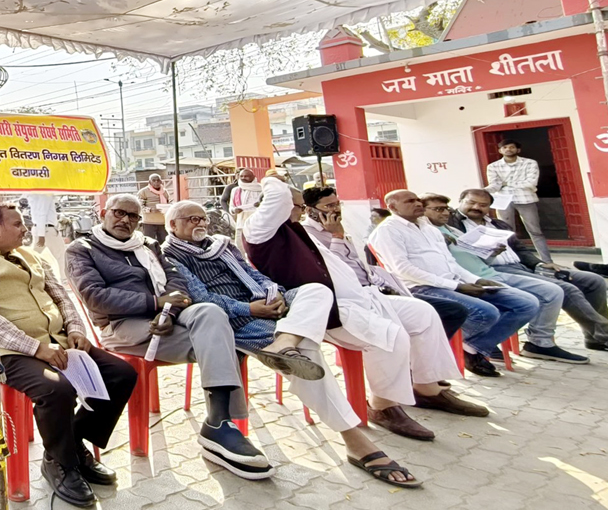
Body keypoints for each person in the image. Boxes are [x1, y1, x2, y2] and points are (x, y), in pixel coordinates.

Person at [166, 201, 429, 488]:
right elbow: (203, 298)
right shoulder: (170, 255)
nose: (199, 223)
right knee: (307, 353)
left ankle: (286, 340)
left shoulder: (222, 245)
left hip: (269, 307)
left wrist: (276, 294)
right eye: (191, 219)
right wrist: (251, 308)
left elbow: (255, 275)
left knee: (316, 290)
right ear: (172, 225)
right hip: (237, 319)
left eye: (202, 218)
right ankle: (354, 440)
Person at [67, 194, 292, 482]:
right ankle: (225, 424)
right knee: (222, 340)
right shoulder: (82, 249)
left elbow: (176, 280)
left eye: (133, 216)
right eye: (119, 213)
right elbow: (95, 297)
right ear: (103, 214)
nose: (126, 220)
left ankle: (218, 422)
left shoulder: (147, 245)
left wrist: (169, 312)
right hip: (122, 325)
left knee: (211, 313)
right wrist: (155, 302)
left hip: (167, 316)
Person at [239, 179, 480, 438]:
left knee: (423, 314)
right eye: (296, 206)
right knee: (390, 336)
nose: (299, 211)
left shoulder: (295, 229)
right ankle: (382, 406)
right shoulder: (259, 230)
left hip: (364, 297)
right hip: (330, 310)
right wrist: (270, 178)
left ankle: (427, 389)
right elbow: (278, 196)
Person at [0, 202, 135, 507]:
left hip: (56, 341)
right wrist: (35, 348)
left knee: (121, 374)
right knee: (56, 389)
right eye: (17, 224)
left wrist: (76, 329)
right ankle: (62, 464)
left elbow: (61, 296)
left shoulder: (31, 256)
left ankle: (70, 444)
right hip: (6, 352)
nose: (25, 229)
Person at [368, 190, 539, 378]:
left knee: (526, 303)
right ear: (392, 207)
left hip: (453, 282)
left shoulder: (429, 229)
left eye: (417, 200)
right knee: (486, 312)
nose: (417, 204)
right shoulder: (387, 231)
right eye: (410, 201)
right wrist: (455, 286)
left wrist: (475, 280)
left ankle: (473, 347)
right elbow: (403, 270)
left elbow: (451, 263)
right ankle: (451, 352)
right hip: (421, 288)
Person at [418, 193, 587, 365]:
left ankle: (538, 342)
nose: (446, 213)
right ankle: (481, 345)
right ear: (422, 211)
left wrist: (491, 253)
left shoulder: (451, 229)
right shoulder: (426, 232)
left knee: (553, 291)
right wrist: (467, 281)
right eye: (438, 209)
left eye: (446, 208)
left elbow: (476, 259)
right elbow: (441, 266)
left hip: (489, 273)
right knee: (523, 303)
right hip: (468, 280)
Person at [447, 190, 608, 354]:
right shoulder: (452, 224)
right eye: (471, 202)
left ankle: (593, 339)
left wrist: (540, 264)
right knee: (566, 289)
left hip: (522, 266)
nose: (476, 207)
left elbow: (521, 249)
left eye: (483, 205)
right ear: (460, 201)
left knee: (593, 281)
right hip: (495, 269)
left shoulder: (498, 224)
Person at [301, 187, 468, 341]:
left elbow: (360, 265)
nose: (336, 210)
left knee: (446, 311)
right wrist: (337, 236)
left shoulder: (339, 226)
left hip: (377, 288)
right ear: (310, 210)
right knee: (441, 312)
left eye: (338, 204)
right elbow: (335, 268)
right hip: (352, 297)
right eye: (329, 206)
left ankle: (423, 355)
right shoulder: (308, 234)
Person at [485, 139, 551, 262]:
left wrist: (505, 183)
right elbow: (494, 185)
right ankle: (514, 261)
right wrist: (482, 191)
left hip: (526, 199)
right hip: (504, 201)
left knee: (535, 231)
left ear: (518, 150)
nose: (508, 149)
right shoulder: (493, 166)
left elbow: (531, 183)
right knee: (506, 232)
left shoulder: (530, 163)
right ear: (500, 150)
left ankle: (547, 261)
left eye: (511, 147)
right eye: (505, 147)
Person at [23, 192, 65, 274]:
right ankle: (63, 278)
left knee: (34, 256)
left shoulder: (34, 195)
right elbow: (41, 215)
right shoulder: (45, 195)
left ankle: (27, 274)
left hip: (40, 228)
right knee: (60, 255)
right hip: (46, 229)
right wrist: (41, 235)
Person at [136, 174, 170, 243]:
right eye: (154, 180)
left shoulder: (164, 192)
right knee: (149, 243)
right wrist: (150, 210)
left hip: (162, 222)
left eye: (158, 180)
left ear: (161, 181)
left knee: (164, 242)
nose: (156, 182)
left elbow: (169, 202)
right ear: (149, 182)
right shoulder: (143, 192)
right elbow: (139, 206)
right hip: (149, 222)